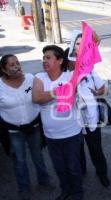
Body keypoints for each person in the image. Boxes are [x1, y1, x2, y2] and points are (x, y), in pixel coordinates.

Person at [32, 45, 83, 200]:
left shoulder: (69, 77)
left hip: (72, 133)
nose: (45, 61)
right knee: (59, 167)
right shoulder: (39, 77)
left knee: (73, 166)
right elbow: (37, 98)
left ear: (60, 60)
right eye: (44, 58)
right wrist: (59, 91)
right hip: (51, 135)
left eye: (49, 57)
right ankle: (65, 190)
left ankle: (78, 193)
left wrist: (93, 42)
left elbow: (85, 62)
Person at [0, 54, 52, 200]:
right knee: (19, 160)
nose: (16, 66)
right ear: (4, 69)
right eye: (12, 65)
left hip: (33, 126)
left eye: (17, 63)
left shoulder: (30, 78)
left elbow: (42, 93)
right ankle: (24, 188)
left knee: (38, 156)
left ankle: (44, 181)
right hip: (14, 131)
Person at [64, 33, 110, 188]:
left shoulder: (90, 71)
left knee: (96, 149)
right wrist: (76, 82)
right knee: (77, 150)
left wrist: (98, 92)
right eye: (77, 44)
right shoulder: (64, 75)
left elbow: (104, 89)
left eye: (82, 44)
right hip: (73, 120)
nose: (80, 47)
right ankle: (81, 172)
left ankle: (102, 173)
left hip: (91, 118)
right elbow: (64, 96)